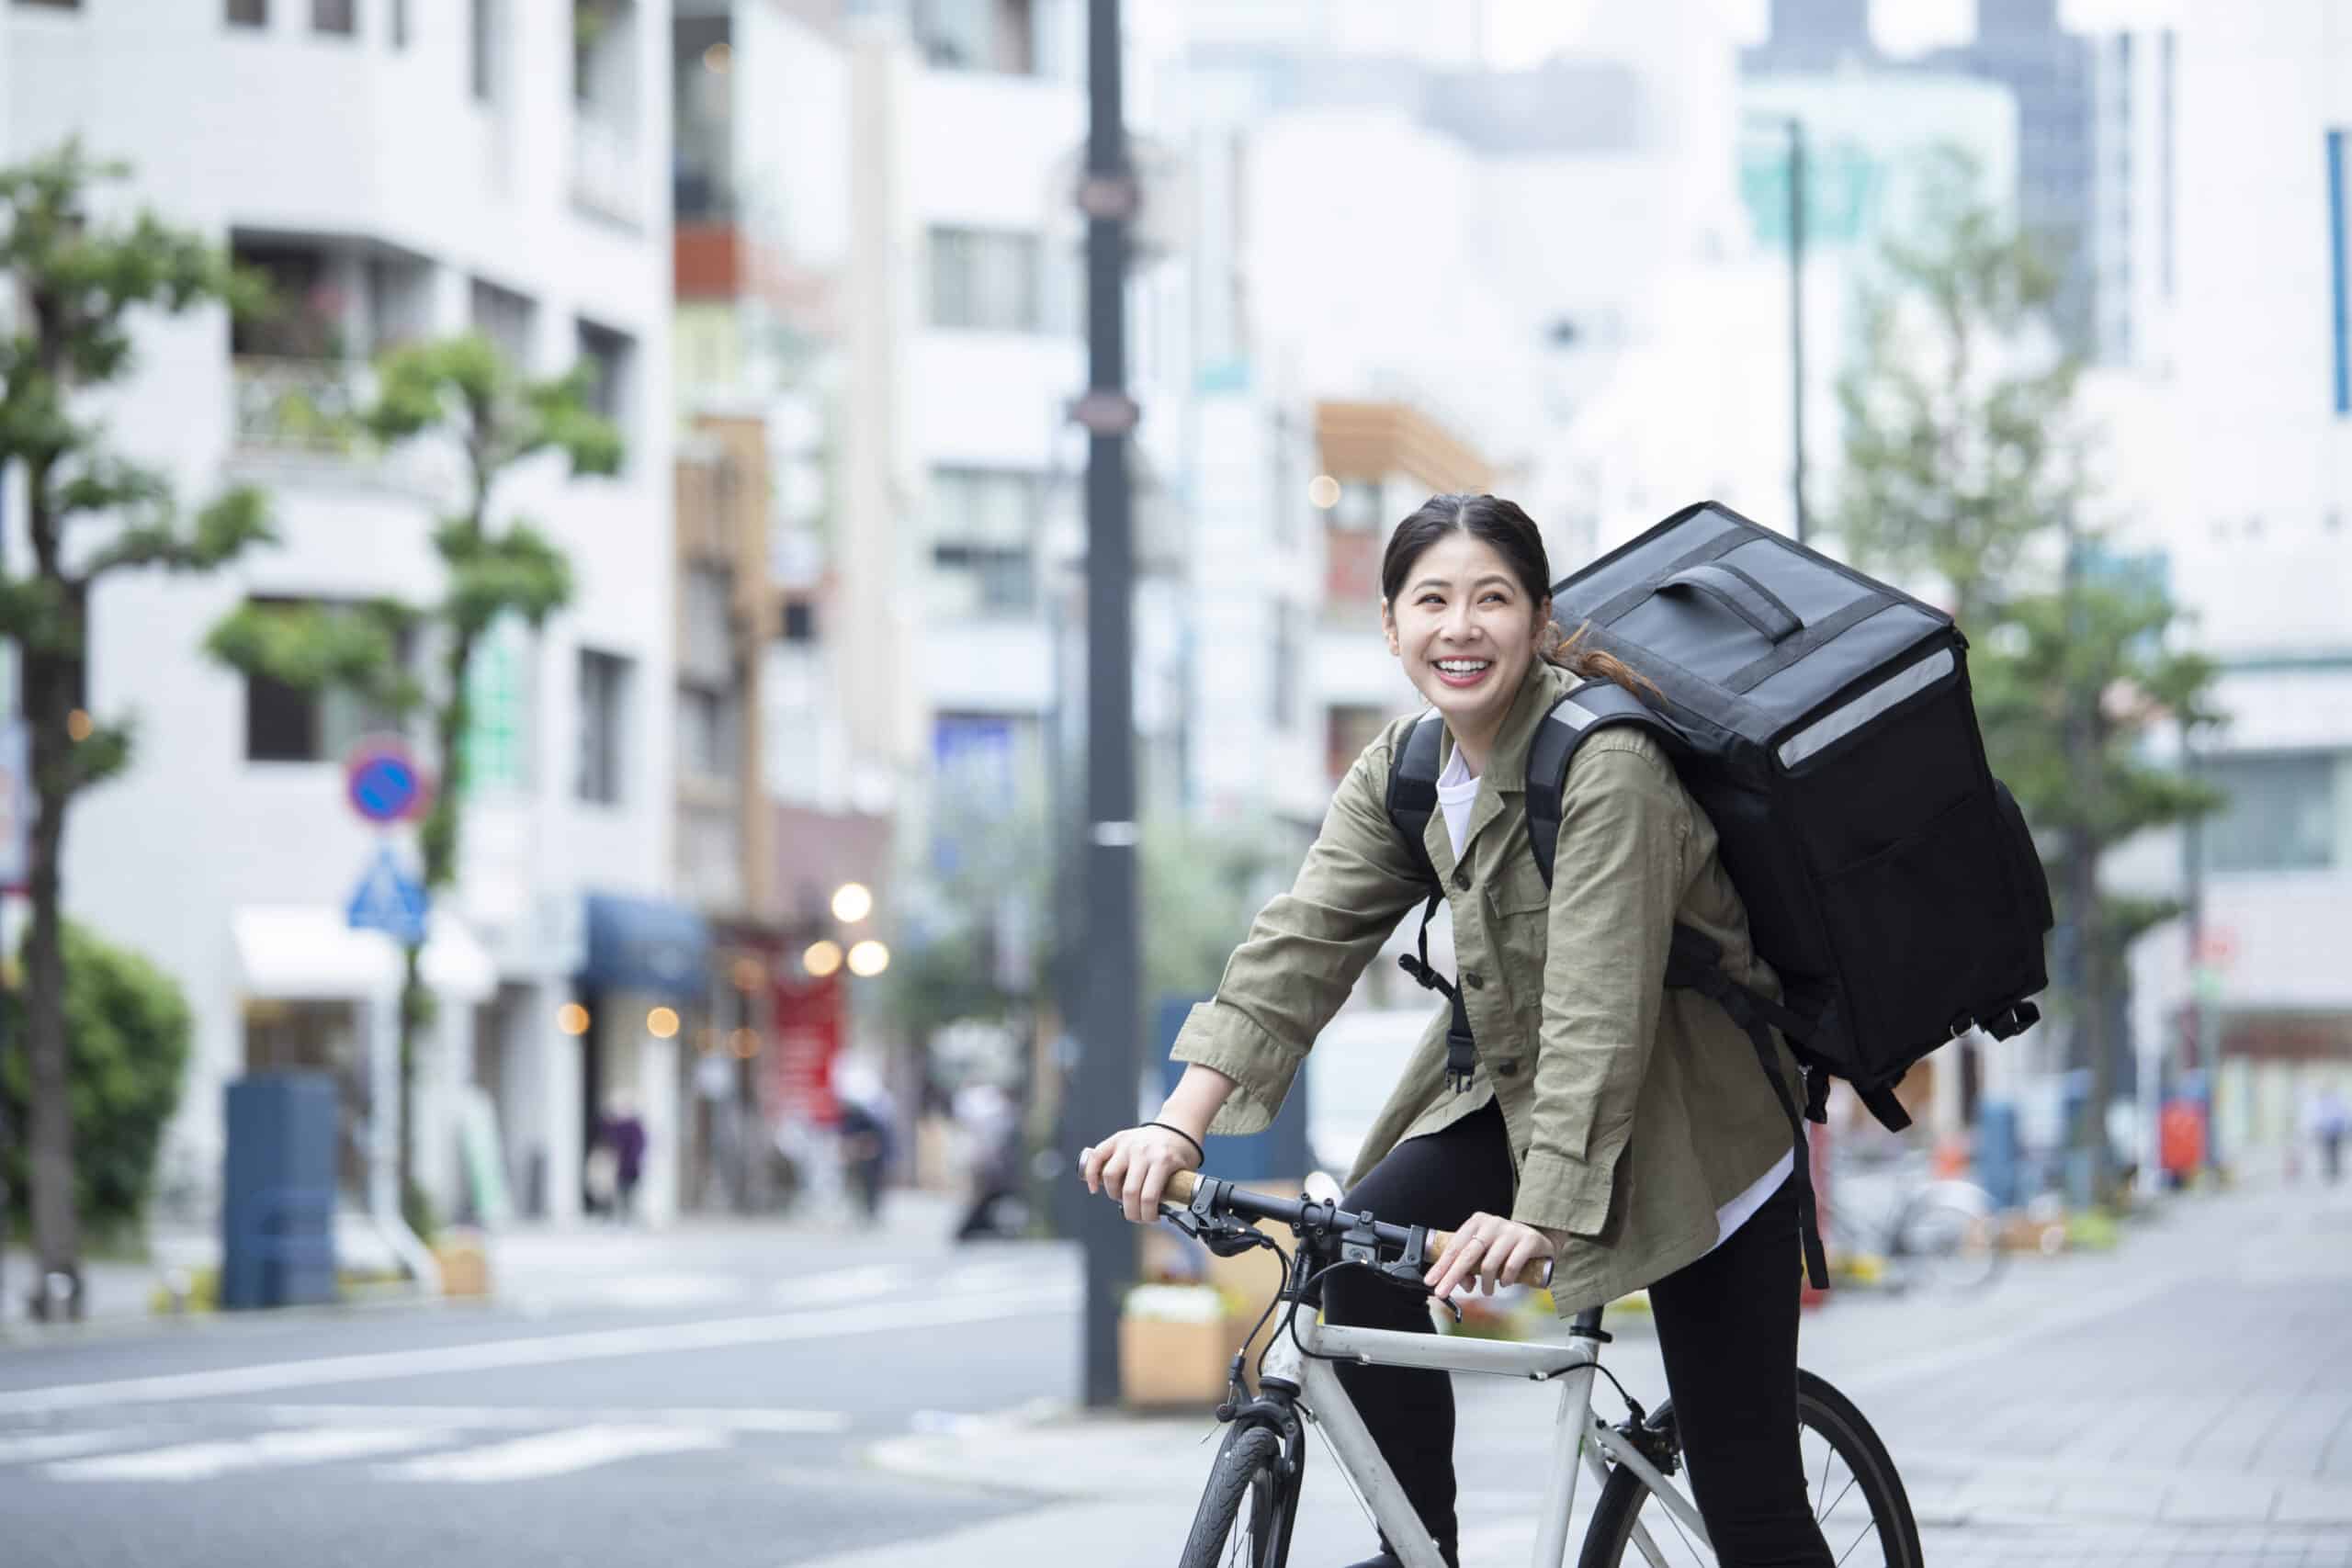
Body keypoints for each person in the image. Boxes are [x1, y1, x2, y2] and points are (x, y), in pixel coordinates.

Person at [1081, 494, 1832, 1568]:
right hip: (1522, 1099)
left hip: (1694, 1132)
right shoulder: (1407, 770)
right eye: (1431, 600)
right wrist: (1179, 1125)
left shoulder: (1608, 764)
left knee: (1746, 1490)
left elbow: (1598, 1008)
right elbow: (1297, 948)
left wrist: (1542, 1215)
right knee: (1355, 1255)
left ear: (1537, 619)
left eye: (1492, 599)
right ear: (1390, 626)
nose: (1460, 627)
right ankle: (1416, 1550)